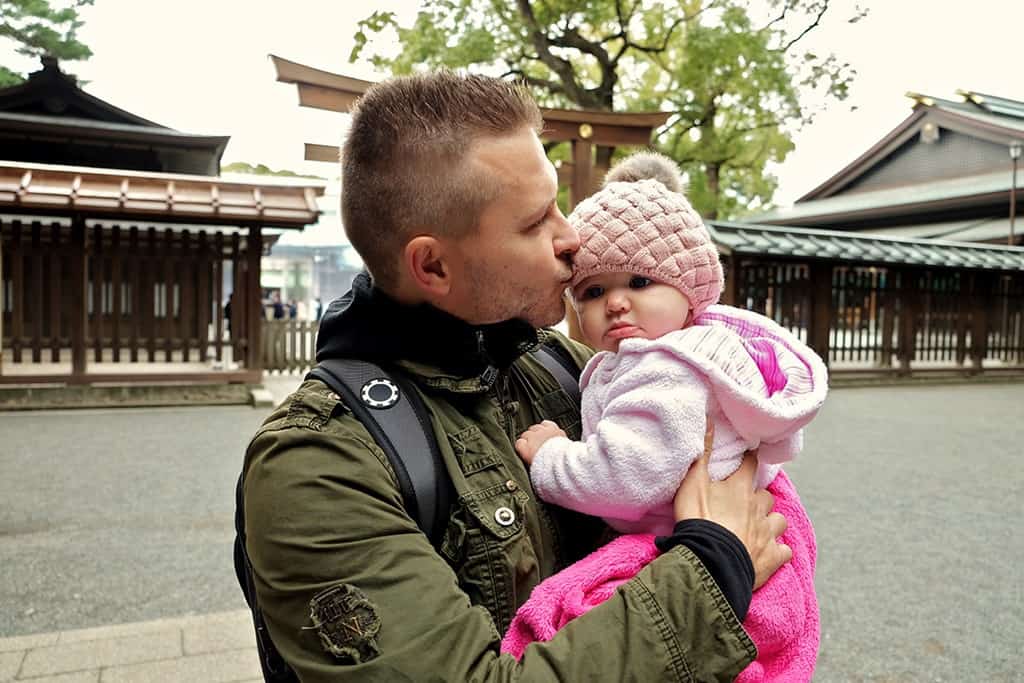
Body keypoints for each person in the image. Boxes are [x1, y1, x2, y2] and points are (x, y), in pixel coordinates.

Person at [239, 71, 790, 682]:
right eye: (535, 223)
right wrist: (712, 572)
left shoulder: (567, 368)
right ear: (434, 264)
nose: (571, 237)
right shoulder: (319, 465)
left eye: (557, 204)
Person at [504, 153, 827, 680]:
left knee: (557, 619)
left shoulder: (664, 369)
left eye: (638, 282)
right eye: (593, 290)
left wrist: (550, 455)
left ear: (689, 290)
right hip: (719, 523)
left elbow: (623, 478)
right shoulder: (674, 355)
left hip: (687, 537)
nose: (615, 303)